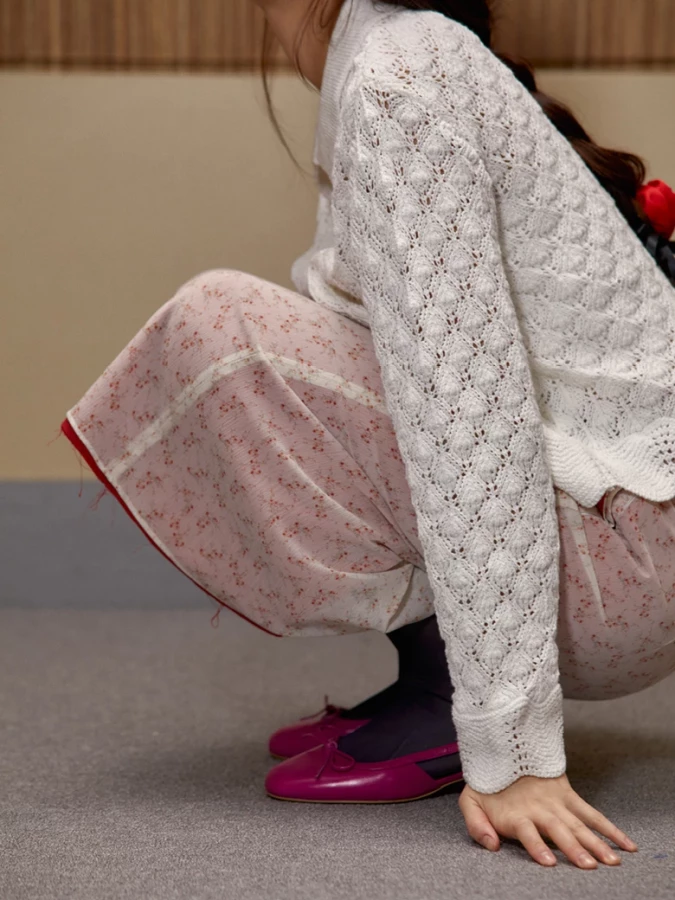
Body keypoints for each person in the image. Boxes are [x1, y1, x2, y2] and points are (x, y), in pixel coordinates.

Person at [59, 0, 675, 872]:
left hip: (624, 557)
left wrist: (515, 750)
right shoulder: (393, 56)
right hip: (623, 541)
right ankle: (433, 679)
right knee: (290, 340)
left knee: (219, 328)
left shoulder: (397, 72)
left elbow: (470, 418)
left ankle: (458, 707)